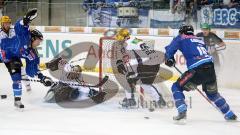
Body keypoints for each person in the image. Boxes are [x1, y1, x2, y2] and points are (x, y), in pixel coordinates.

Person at [164, 24, 237, 121]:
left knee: (176, 87)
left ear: (181, 32)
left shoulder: (180, 37)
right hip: (210, 69)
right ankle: (229, 114)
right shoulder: (200, 40)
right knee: (212, 94)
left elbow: (169, 50)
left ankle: (182, 112)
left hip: (197, 70)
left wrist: (169, 59)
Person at [0, 9, 52, 109]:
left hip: (12, 58)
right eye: (38, 41)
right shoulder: (23, 37)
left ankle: (17, 101)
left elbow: (31, 70)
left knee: (17, 78)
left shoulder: (32, 54)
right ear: (32, 38)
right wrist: (25, 20)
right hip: (2, 52)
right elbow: (20, 27)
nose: (39, 44)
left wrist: (42, 78)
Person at [114, 28, 166, 109]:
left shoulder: (128, 44)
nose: (118, 39)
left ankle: (131, 100)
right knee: (143, 83)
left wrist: (129, 71)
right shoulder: (134, 40)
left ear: (123, 37)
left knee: (133, 80)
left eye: (119, 37)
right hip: (152, 64)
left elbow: (134, 60)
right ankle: (159, 100)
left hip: (147, 65)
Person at [42, 57, 107, 103]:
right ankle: (52, 94)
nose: (75, 74)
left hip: (69, 90)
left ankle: (97, 96)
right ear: (71, 69)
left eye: (77, 73)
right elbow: (60, 60)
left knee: (75, 93)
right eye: (74, 72)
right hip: (61, 85)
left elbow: (86, 89)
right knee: (57, 89)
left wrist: (94, 96)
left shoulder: (78, 79)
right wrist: (50, 64)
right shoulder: (67, 68)